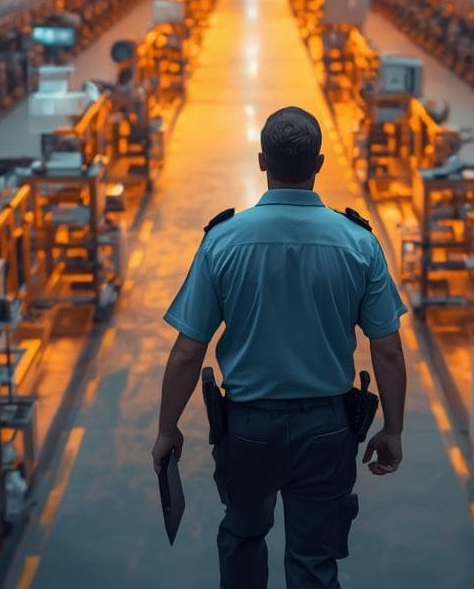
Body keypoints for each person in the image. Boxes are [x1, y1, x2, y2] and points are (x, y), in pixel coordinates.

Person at [151, 106, 409, 589]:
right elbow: (387, 349)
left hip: (248, 427)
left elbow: (188, 350)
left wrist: (168, 429)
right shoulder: (359, 244)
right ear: (320, 163)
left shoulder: (222, 242)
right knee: (313, 559)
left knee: (244, 539)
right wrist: (392, 429)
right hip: (327, 429)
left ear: (262, 162)